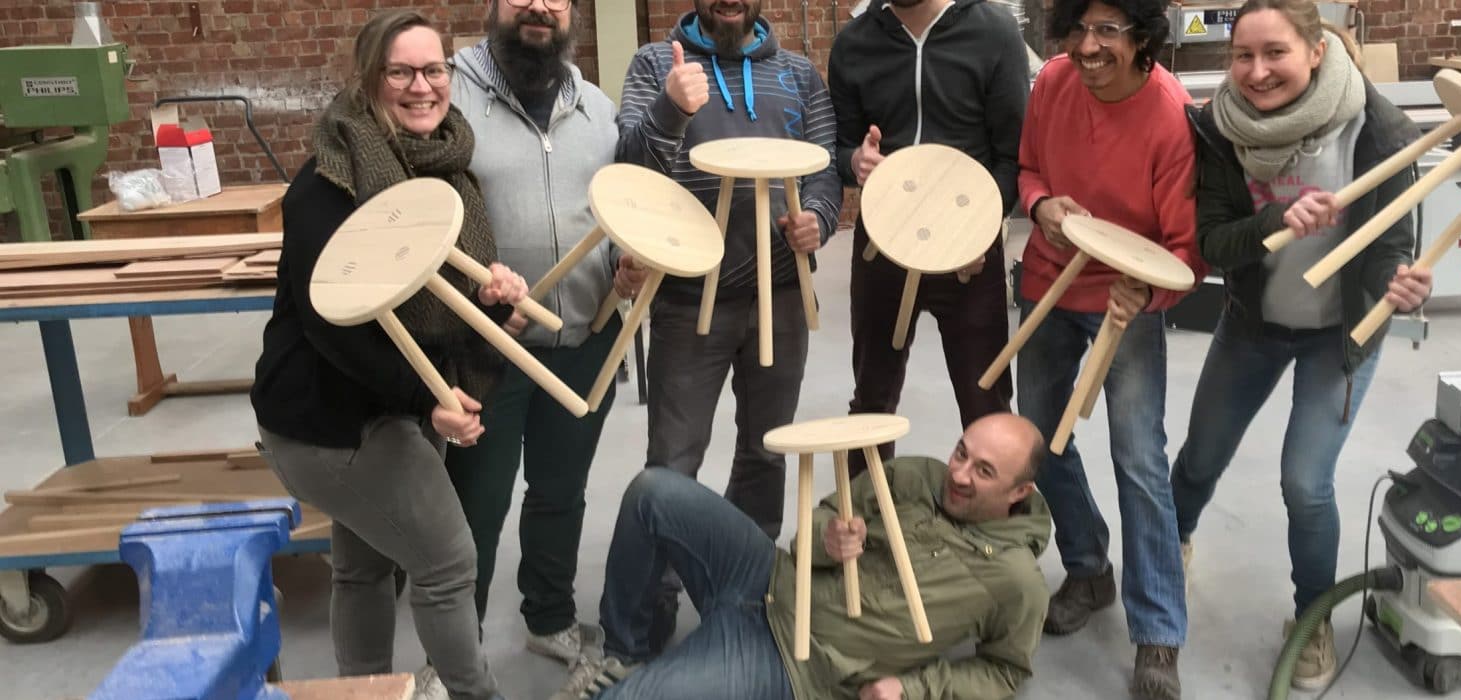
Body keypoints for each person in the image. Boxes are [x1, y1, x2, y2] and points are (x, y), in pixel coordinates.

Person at [251, 10, 529, 700]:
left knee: (365, 567)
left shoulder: (446, 170)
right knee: (448, 562)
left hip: (387, 406)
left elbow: (433, 301)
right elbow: (333, 326)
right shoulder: (329, 182)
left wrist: (493, 300)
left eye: (433, 69)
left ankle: (364, 692)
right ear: (369, 79)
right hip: (327, 420)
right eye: (399, 72)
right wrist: (425, 402)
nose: (420, 86)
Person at [1169, 0, 1432, 689]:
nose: (1256, 71)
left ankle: (1312, 620)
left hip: (1338, 334)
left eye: (1275, 52)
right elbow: (1213, 242)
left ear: (1315, 51)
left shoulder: (1377, 128)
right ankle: (1171, 545)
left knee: (1305, 484)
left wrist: (1398, 283)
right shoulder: (1219, 129)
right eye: (1242, 55)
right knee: (1199, 458)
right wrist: (1275, 219)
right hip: (1253, 323)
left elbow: (1390, 245)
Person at [444, 0, 677, 668]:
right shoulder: (452, 98)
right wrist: (473, 300)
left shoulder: (596, 108)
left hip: (584, 337)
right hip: (488, 345)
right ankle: (454, 649)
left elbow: (613, 208)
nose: (540, 6)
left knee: (559, 492)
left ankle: (548, 617)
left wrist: (623, 262)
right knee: (477, 502)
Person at [612, 0, 842, 649]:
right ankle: (651, 603)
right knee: (671, 461)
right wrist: (671, 107)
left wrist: (819, 219)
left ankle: (742, 588)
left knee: (765, 452)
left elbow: (824, 167)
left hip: (781, 295)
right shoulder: (655, 64)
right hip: (688, 296)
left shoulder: (798, 73)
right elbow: (629, 169)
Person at [556, 413, 1053, 700]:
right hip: (767, 575)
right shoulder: (915, 476)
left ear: (1020, 492)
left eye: (984, 471)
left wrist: (912, 689)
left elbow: (1004, 671)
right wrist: (827, 539)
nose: (959, 474)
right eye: (962, 452)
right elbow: (825, 514)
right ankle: (625, 651)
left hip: (794, 660)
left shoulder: (1016, 579)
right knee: (654, 493)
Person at [1012, 0, 1205, 697]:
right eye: (1077, 29)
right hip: (1048, 279)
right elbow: (1029, 169)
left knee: (1138, 457)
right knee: (1038, 438)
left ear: (1144, 36)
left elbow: (1186, 253)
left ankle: (1158, 631)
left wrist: (1147, 293)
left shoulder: (1172, 117)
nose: (1087, 47)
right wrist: (1041, 205)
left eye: (1107, 31)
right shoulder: (1053, 81)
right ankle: (1088, 568)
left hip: (1127, 300)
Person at [827, 0, 1031, 477]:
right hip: (883, 247)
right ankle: (866, 516)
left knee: (986, 400)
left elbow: (1012, 155)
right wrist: (855, 161)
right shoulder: (854, 43)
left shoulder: (994, 32)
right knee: (872, 400)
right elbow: (841, 148)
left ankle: (995, 522)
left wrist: (978, 230)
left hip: (968, 253)